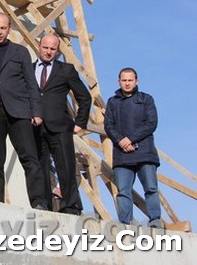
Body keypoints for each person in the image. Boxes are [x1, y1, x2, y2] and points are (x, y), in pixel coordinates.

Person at [0, 12, 47, 209]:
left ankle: (38, 202)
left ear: (9, 29)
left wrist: (36, 111)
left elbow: (31, 83)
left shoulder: (20, 52)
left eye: (3, 28)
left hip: (19, 112)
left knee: (30, 159)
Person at [33, 34, 92, 215]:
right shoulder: (29, 69)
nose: (48, 52)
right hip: (35, 127)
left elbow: (84, 97)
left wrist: (80, 123)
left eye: (52, 49)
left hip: (60, 127)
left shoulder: (66, 70)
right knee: (40, 168)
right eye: (45, 47)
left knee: (66, 166)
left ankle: (70, 205)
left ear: (57, 51)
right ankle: (44, 205)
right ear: (39, 46)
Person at [104, 68, 162, 228]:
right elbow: (108, 125)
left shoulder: (146, 99)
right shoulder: (112, 102)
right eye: (124, 80)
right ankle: (126, 223)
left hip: (145, 152)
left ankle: (155, 220)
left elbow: (151, 123)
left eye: (130, 80)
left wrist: (129, 139)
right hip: (122, 153)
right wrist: (120, 140)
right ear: (119, 82)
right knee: (123, 191)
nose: (127, 83)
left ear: (136, 81)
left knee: (151, 188)